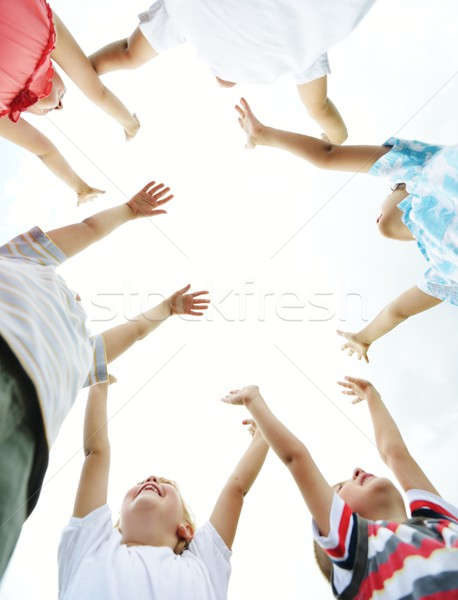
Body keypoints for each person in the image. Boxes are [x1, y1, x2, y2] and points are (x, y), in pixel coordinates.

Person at [0, 179, 210, 579]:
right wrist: (129, 211)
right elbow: (91, 230)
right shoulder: (25, 260)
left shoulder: (82, 352)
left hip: (28, 435)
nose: (78, 301)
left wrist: (167, 308)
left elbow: (134, 332)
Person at [235, 98, 458, 361]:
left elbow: (329, 155)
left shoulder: (421, 168)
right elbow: (399, 310)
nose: (379, 221)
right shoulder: (443, 270)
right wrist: (363, 337)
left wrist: (265, 135)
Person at [222, 378, 458, 599]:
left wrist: (371, 395)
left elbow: (396, 453)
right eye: (340, 487)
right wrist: (252, 400)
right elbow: (296, 458)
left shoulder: (439, 519)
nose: (357, 471)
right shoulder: (360, 549)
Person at [57, 379, 268, 600]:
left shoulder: (203, 564)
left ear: (186, 530)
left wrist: (263, 435)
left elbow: (236, 488)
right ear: (117, 529)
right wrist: (98, 383)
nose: (150, 479)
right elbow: (96, 453)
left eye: (165, 485)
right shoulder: (93, 545)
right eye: (140, 484)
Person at [89, 0, 377, 145]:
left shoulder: (297, 45)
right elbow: (126, 54)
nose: (222, 83)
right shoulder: (296, 44)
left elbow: (128, 53)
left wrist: (334, 138)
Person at [0, 0, 140, 204]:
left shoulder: (42, 26)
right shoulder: (42, 26)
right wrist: (130, 124)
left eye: (59, 101)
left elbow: (46, 151)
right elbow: (45, 150)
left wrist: (130, 124)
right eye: (62, 97)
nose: (59, 106)